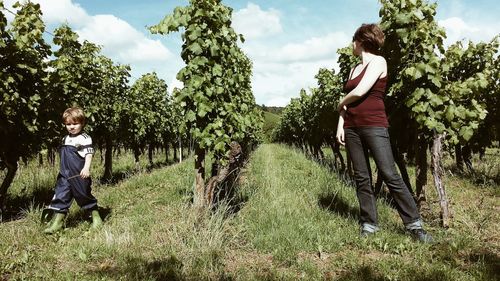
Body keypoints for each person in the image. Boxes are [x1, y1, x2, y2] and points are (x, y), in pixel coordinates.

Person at [335, 23, 432, 243]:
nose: (352, 44)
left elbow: (360, 91)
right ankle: (369, 223)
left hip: (374, 124)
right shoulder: (353, 69)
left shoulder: (379, 61)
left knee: (389, 173)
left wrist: (339, 102)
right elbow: (347, 106)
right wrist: (340, 124)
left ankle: (414, 226)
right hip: (351, 127)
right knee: (362, 177)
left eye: (354, 40)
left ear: (360, 41)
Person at [43, 107, 103, 234]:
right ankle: (57, 223)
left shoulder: (85, 138)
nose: (71, 127)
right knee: (61, 196)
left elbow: (88, 154)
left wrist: (86, 168)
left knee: (83, 195)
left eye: (75, 123)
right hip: (65, 174)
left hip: (78, 174)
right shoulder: (65, 139)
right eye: (68, 124)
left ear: (82, 123)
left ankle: (97, 218)